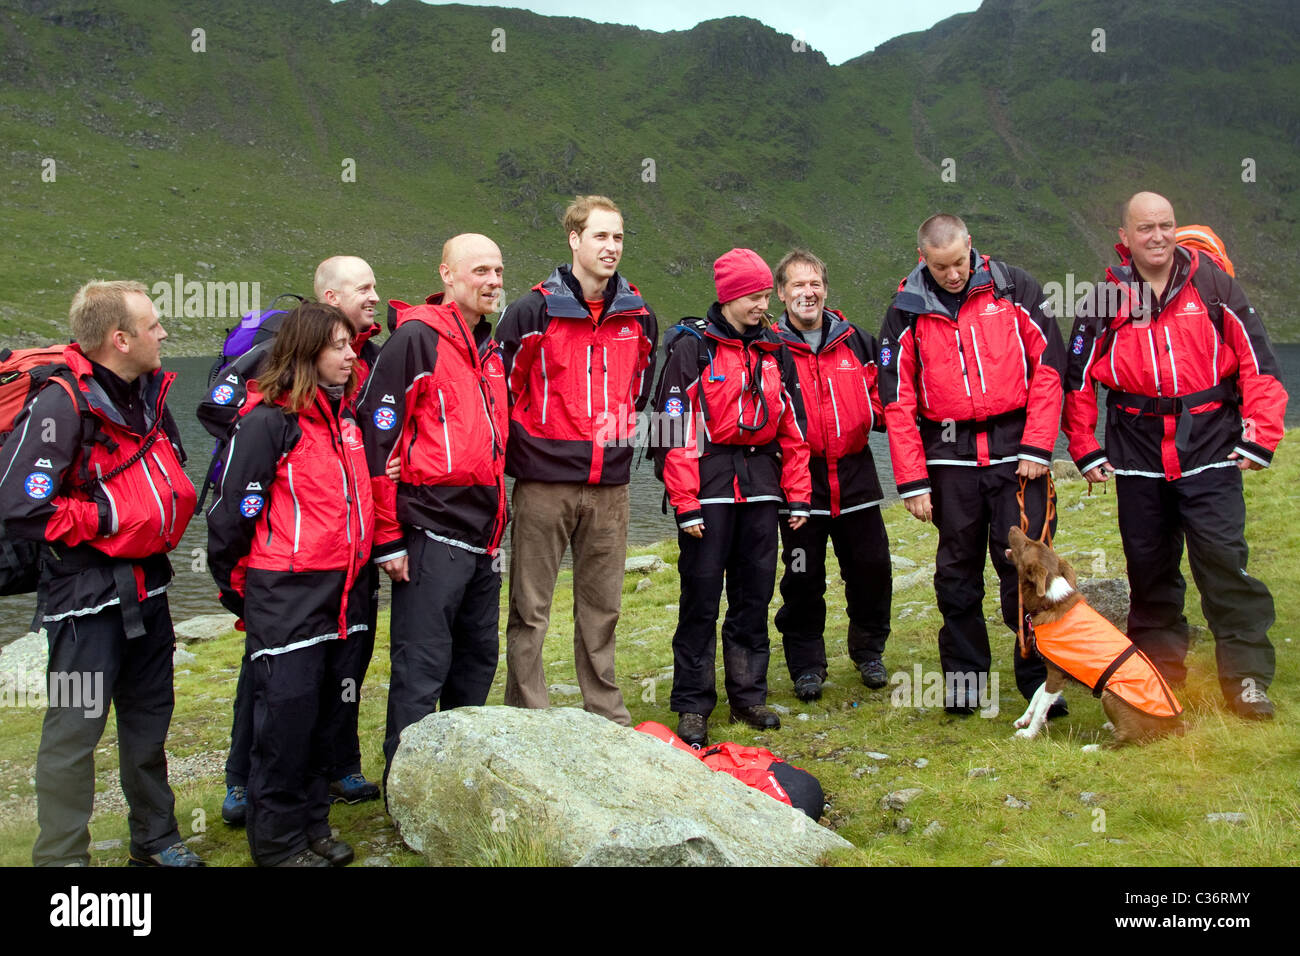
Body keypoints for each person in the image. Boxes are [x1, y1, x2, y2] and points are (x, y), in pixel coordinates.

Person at [1062, 192, 1288, 719]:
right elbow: (1076, 384)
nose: (1158, 236)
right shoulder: (1103, 299)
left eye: (1166, 225)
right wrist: (1086, 447)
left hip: (1210, 448)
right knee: (1150, 570)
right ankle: (1160, 678)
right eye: (1146, 228)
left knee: (1223, 563)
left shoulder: (1214, 284)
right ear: (1125, 236)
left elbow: (1260, 363)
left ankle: (1248, 678)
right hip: (1137, 454)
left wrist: (1260, 436)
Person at [0, 280, 202, 866]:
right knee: (72, 734)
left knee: (148, 721)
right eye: (154, 325)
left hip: (150, 588)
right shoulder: (61, 404)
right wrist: (107, 516)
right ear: (120, 339)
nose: (163, 333)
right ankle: (62, 861)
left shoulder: (146, 393)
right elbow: (21, 505)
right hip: (83, 600)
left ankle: (157, 840)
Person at [206, 301, 375, 866]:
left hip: (342, 596)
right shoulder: (267, 424)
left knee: (323, 719)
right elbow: (230, 522)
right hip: (288, 598)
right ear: (306, 354)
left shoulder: (345, 421)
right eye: (338, 346)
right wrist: (246, 595)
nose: (352, 355)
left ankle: (312, 825)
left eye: (351, 344)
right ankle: (277, 846)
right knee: (282, 727)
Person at [878, 214, 1065, 714]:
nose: (954, 274)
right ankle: (964, 683)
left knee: (1027, 570)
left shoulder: (1014, 286)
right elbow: (896, 400)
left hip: (1017, 455)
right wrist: (912, 480)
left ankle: (1040, 682)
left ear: (971, 248)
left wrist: (1038, 445)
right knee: (956, 572)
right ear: (924, 260)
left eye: (959, 262)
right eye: (941, 267)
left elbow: (1049, 366)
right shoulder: (905, 310)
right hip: (949, 459)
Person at [496, 196, 658, 725]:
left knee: (603, 604)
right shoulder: (532, 311)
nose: (610, 248)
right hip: (544, 483)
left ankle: (606, 710)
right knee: (531, 605)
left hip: (609, 485)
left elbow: (639, 391)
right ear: (574, 240)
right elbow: (503, 392)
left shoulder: (639, 314)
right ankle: (529, 713)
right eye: (600, 237)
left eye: (618, 238)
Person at [356, 234, 509, 792]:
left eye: (498, 270)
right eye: (479, 271)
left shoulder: (489, 348)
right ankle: (408, 787)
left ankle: (456, 781)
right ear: (447, 274)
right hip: (429, 529)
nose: (492, 281)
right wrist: (389, 538)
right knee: (422, 667)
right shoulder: (416, 340)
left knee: (476, 663)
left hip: (484, 533)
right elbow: (377, 442)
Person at [652, 248, 812, 747]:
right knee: (700, 599)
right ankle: (693, 704)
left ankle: (748, 696)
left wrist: (798, 496)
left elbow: (793, 426)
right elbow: (672, 431)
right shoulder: (691, 349)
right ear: (727, 297)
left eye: (765, 295)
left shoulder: (776, 348)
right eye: (751, 296)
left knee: (753, 596)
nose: (761, 305)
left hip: (762, 487)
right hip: (709, 487)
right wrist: (685, 501)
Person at [770, 250, 892, 701]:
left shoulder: (856, 340)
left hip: (857, 478)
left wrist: (865, 416)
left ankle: (869, 652)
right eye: (798, 285)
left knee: (871, 571)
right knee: (803, 577)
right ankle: (806, 664)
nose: (808, 293)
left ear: (825, 289)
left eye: (815, 284)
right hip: (800, 486)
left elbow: (882, 398)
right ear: (781, 293)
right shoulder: (769, 346)